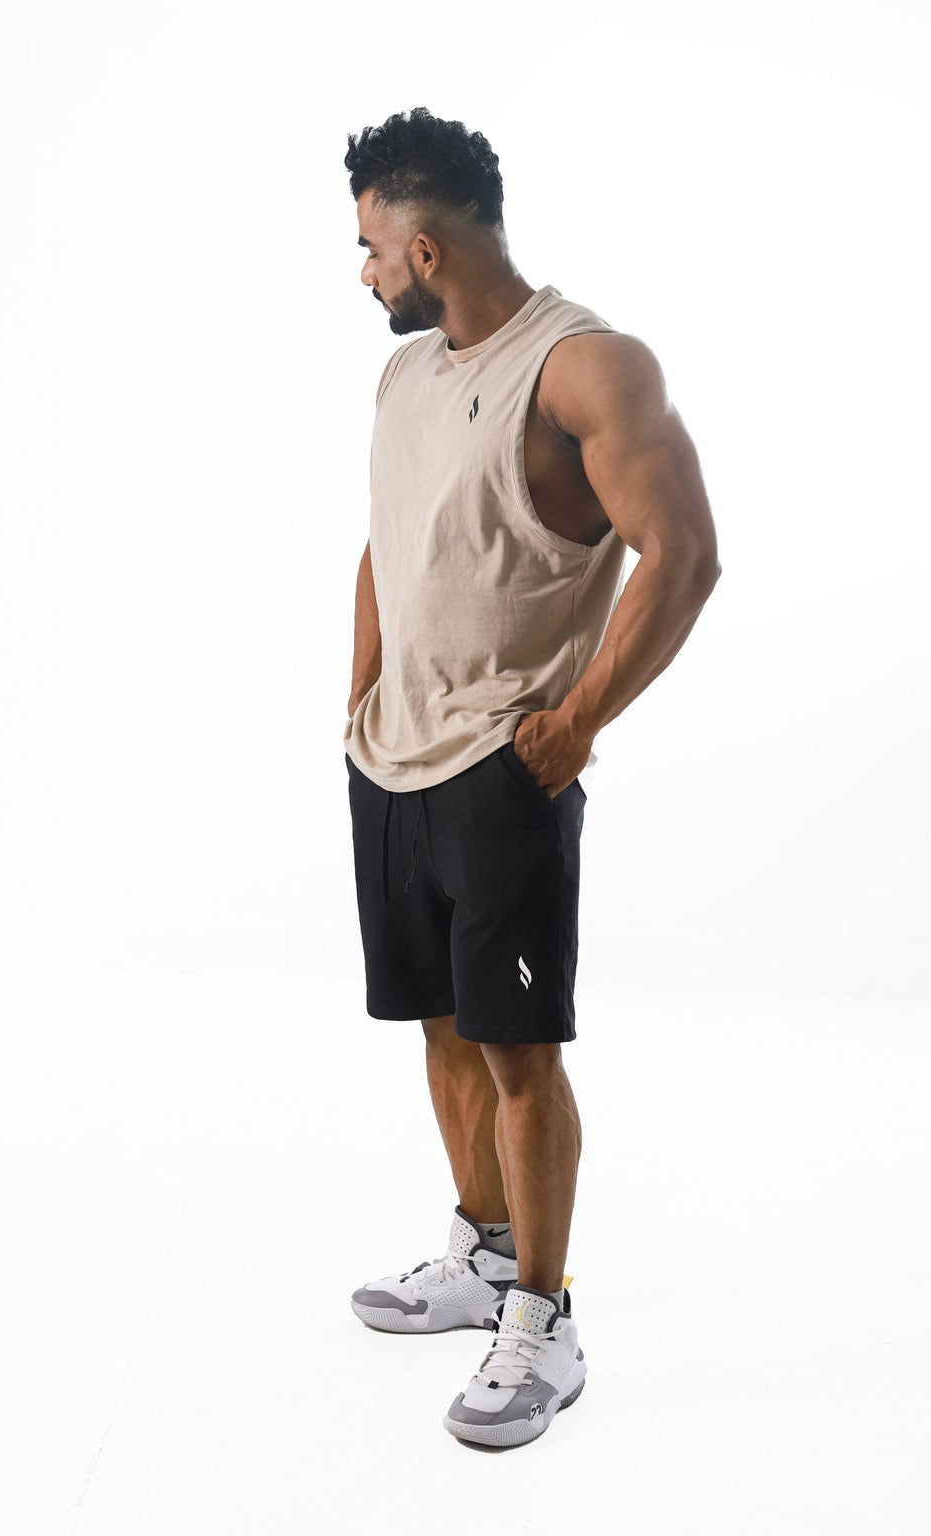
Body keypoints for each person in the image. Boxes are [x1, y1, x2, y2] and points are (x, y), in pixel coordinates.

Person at [342, 107, 721, 1448]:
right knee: (441, 1029)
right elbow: (388, 544)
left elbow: (681, 551)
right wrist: (359, 689)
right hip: (389, 761)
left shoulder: (586, 369)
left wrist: (574, 723)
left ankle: (543, 1319)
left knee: (515, 1052)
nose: (364, 271)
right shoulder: (404, 381)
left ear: (428, 246)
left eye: (373, 248)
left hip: (504, 765)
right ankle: (483, 1253)